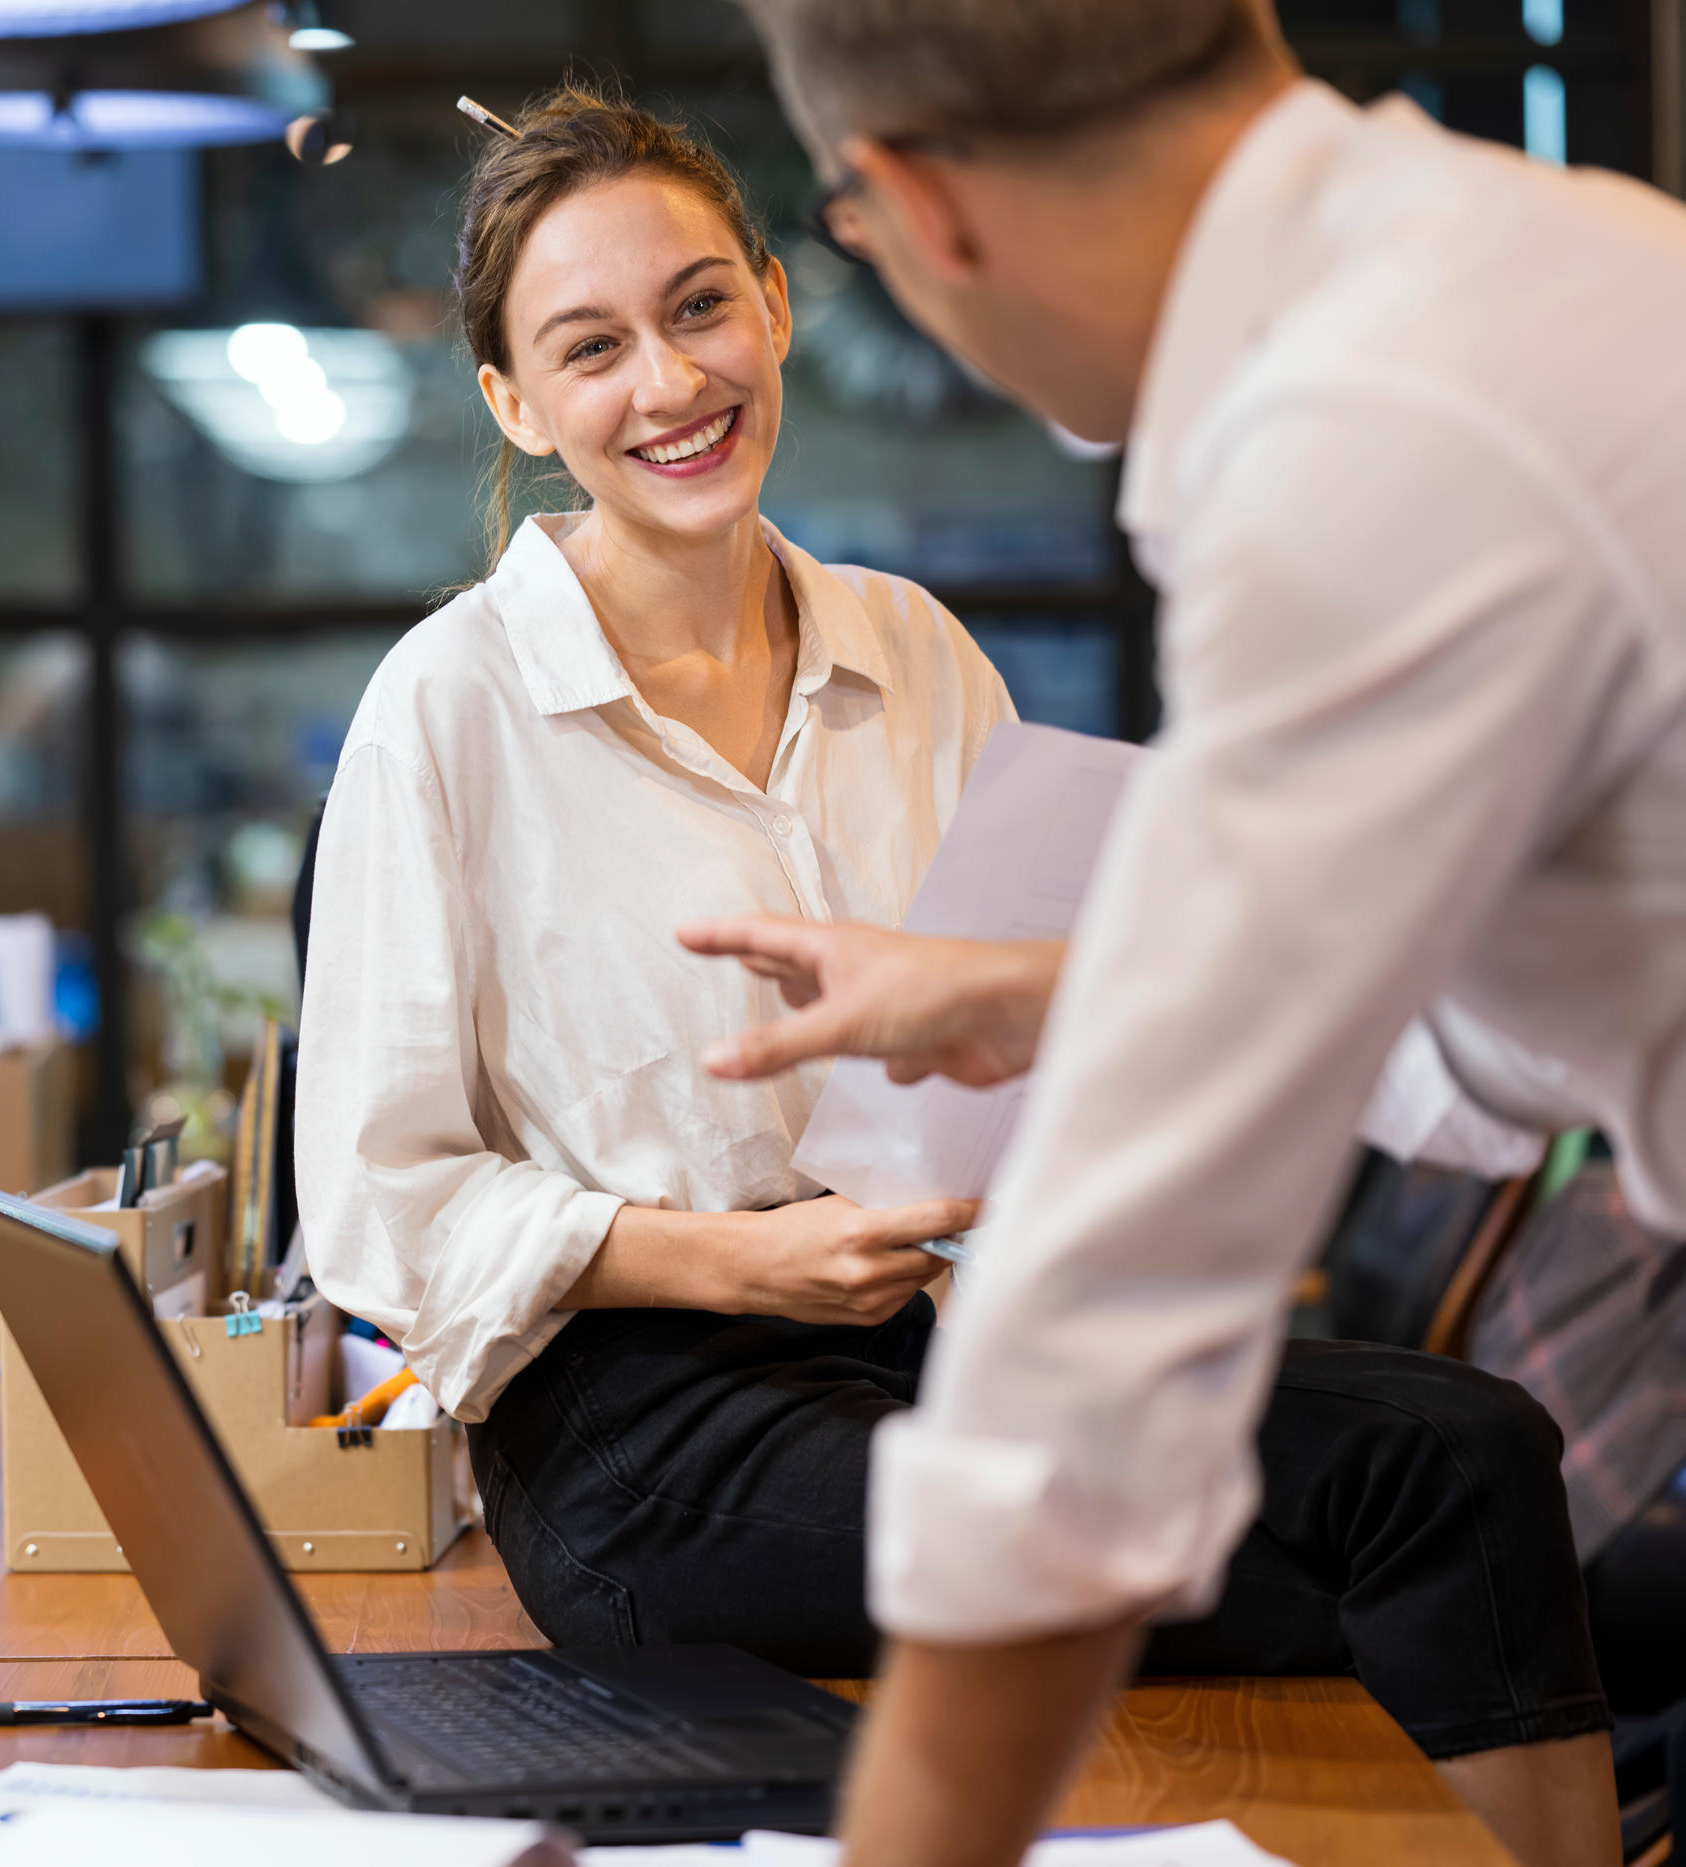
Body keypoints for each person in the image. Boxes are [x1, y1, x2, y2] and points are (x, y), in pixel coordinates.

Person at [293, 88, 1609, 1867]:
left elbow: (1034, 1035)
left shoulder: (910, 646)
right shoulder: (449, 707)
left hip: (944, 1342)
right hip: (646, 1425)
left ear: (771, 298)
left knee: (1461, 1450)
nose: (670, 386)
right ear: (515, 406)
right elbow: (380, 1202)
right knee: (1412, 1555)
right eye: (589, 348)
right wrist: (738, 1260)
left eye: (698, 307)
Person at [679, 0, 1686, 1860]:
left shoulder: (1361, 441)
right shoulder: (1553, 261)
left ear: (910, 204)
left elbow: (1114, 1327)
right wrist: (1062, 995)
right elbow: (1548, 1009)